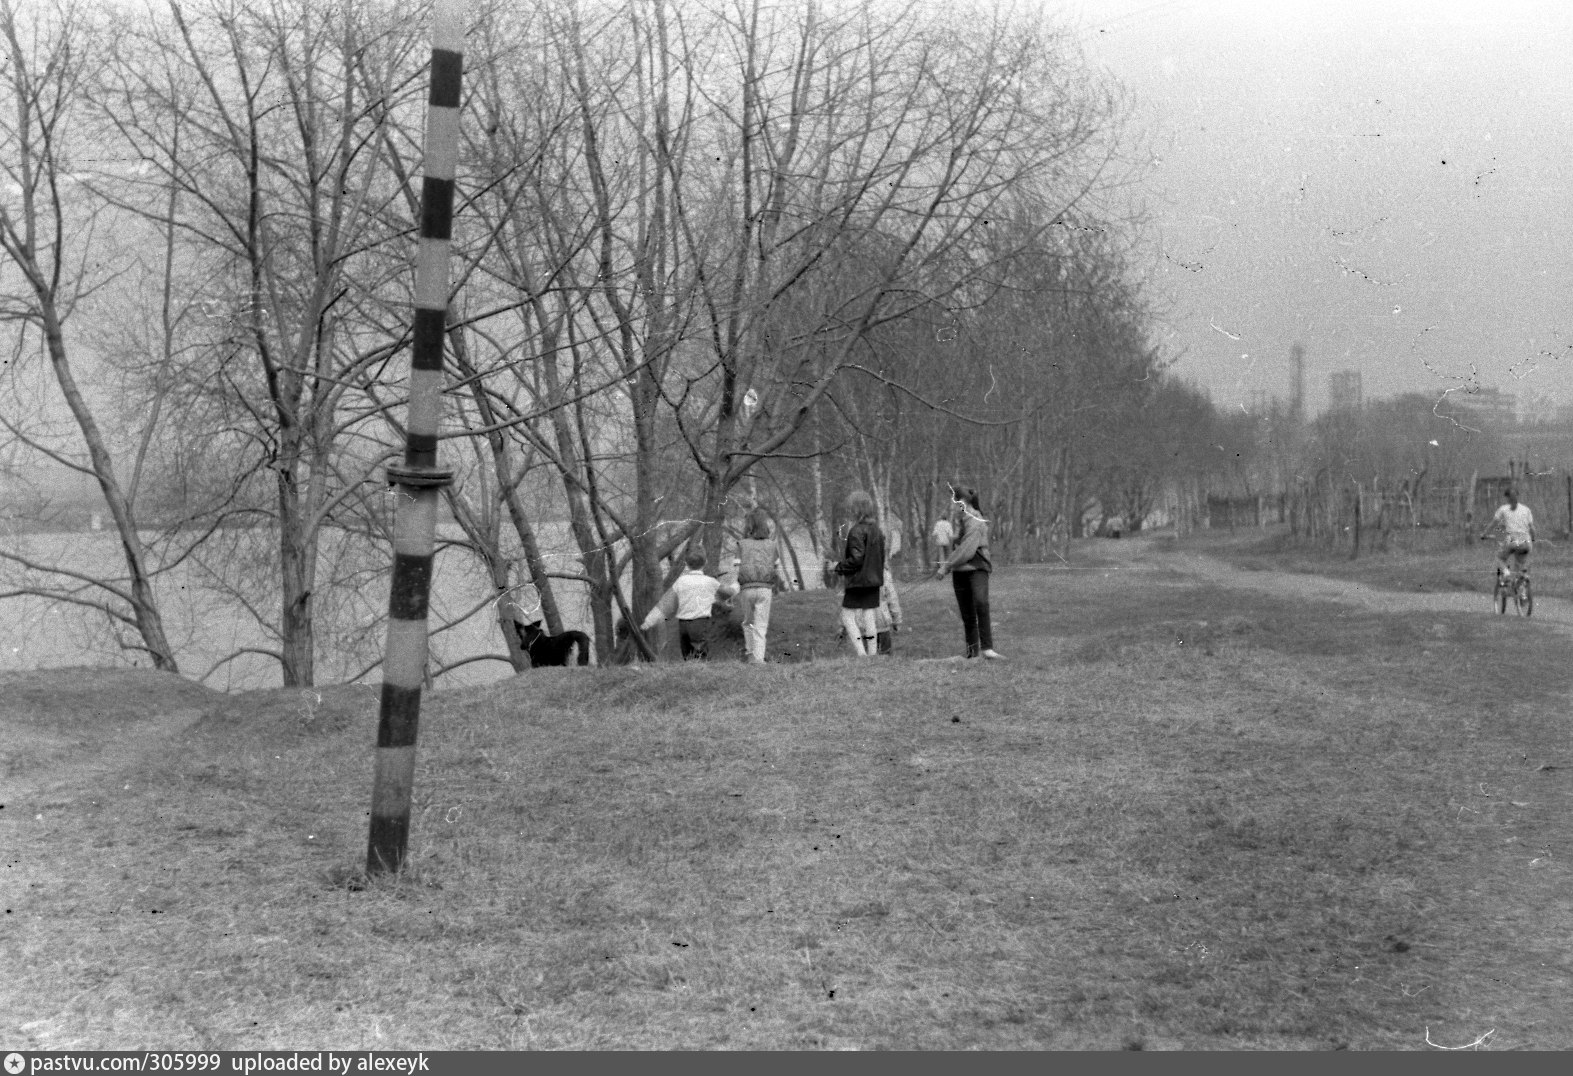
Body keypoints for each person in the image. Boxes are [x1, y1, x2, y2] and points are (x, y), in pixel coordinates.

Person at [934, 483, 1003, 660]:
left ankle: (987, 648)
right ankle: (972, 653)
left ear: (961, 503)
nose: (950, 507)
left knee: (981, 603)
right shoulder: (961, 520)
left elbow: (967, 549)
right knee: (967, 614)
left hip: (977, 568)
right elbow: (959, 541)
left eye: (952, 503)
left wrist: (945, 566)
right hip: (960, 571)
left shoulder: (975, 519)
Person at [640, 548, 738, 661]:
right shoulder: (710, 582)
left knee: (687, 655)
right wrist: (736, 585)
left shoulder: (681, 581)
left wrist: (649, 621)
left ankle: (689, 673)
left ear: (686, 564)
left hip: (683, 625)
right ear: (705, 562)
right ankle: (700, 675)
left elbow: (665, 604)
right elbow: (727, 593)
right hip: (700, 623)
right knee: (701, 655)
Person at [832, 490, 886, 657]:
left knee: (847, 616)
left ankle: (861, 653)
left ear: (856, 510)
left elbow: (856, 559)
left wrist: (838, 567)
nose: (848, 511)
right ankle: (872, 654)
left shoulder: (856, 531)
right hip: (874, 581)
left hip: (858, 582)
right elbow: (881, 558)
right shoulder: (877, 530)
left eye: (850, 508)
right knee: (869, 616)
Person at [735, 507, 787, 663]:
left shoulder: (741, 544)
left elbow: (737, 568)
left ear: (748, 526)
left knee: (748, 622)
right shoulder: (771, 545)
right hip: (765, 588)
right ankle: (759, 658)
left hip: (746, 589)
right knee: (761, 625)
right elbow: (776, 567)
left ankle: (751, 655)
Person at [1479, 486, 1536, 584]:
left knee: (1500, 558)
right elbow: (1532, 529)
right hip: (1526, 542)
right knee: (1520, 565)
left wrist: (1484, 534)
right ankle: (1522, 589)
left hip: (1512, 541)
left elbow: (1494, 524)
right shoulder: (1526, 509)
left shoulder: (1503, 509)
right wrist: (1533, 540)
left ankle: (1506, 573)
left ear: (1507, 498)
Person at [873, 566, 903, 656]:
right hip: (881, 621)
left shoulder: (854, 571)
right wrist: (897, 621)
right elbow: (892, 599)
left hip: (862, 624)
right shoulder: (883, 573)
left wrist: (842, 626)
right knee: (885, 657)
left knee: (865, 659)